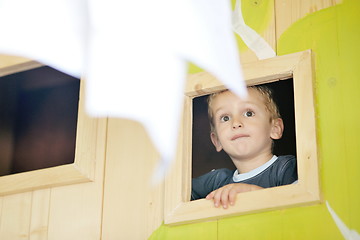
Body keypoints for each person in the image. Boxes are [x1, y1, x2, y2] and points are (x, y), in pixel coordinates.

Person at [191, 85, 297, 209]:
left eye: (248, 113)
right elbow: (171, 194)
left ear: (275, 128)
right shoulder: (217, 181)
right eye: (225, 118)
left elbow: (304, 207)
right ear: (217, 140)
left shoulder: (286, 168)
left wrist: (253, 192)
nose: (236, 123)